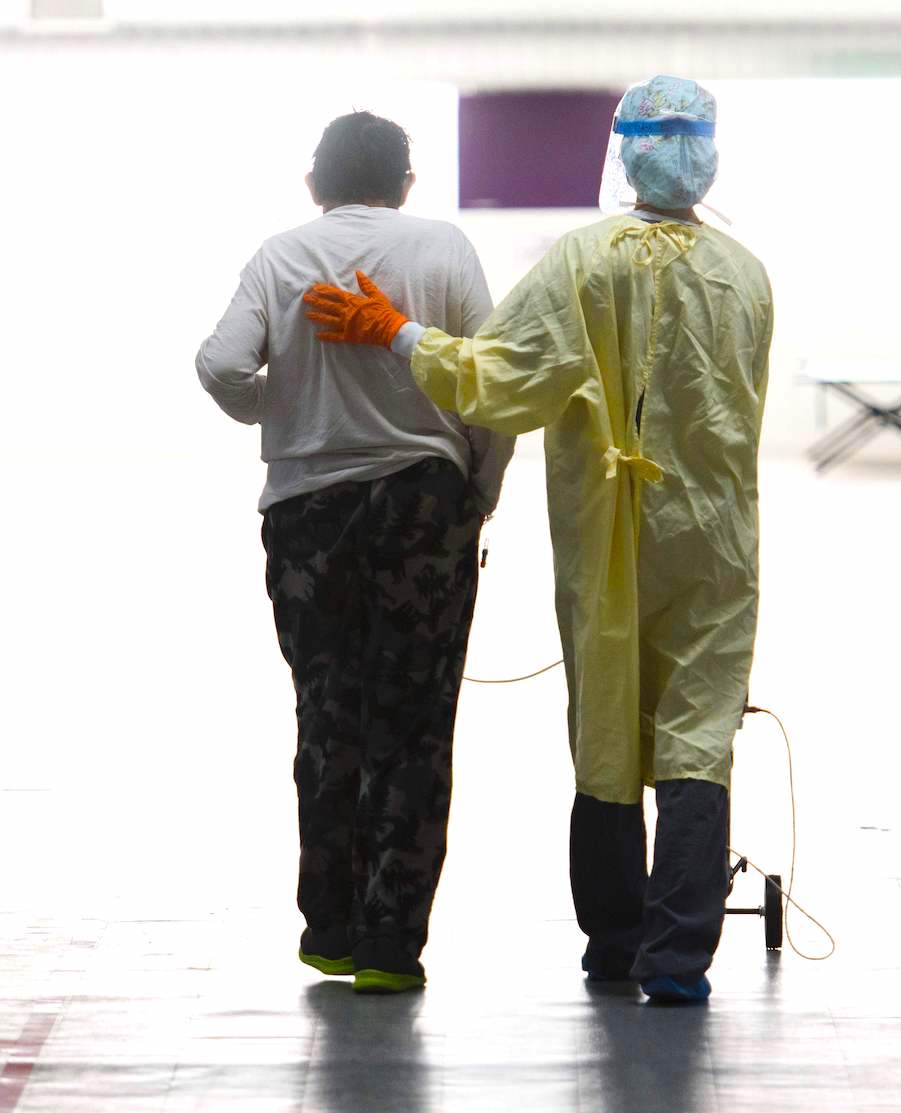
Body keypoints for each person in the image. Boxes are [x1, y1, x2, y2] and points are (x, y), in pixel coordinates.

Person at [303, 76, 772, 1004]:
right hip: (715, 539)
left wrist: (396, 334)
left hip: (607, 535)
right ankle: (677, 958)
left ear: (624, 152)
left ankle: (614, 940)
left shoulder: (584, 264)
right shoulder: (746, 274)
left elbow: (500, 379)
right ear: (708, 154)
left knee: (605, 727)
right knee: (699, 730)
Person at [197, 110, 514, 995]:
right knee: (413, 727)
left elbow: (220, 365)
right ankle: (390, 943)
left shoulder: (280, 256)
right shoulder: (443, 249)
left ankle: (329, 929)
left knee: (326, 715)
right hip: (424, 505)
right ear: (406, 184)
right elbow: (490, 386)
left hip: (306, 514)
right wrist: (476, 494)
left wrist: (285, 409)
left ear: (314, 185)